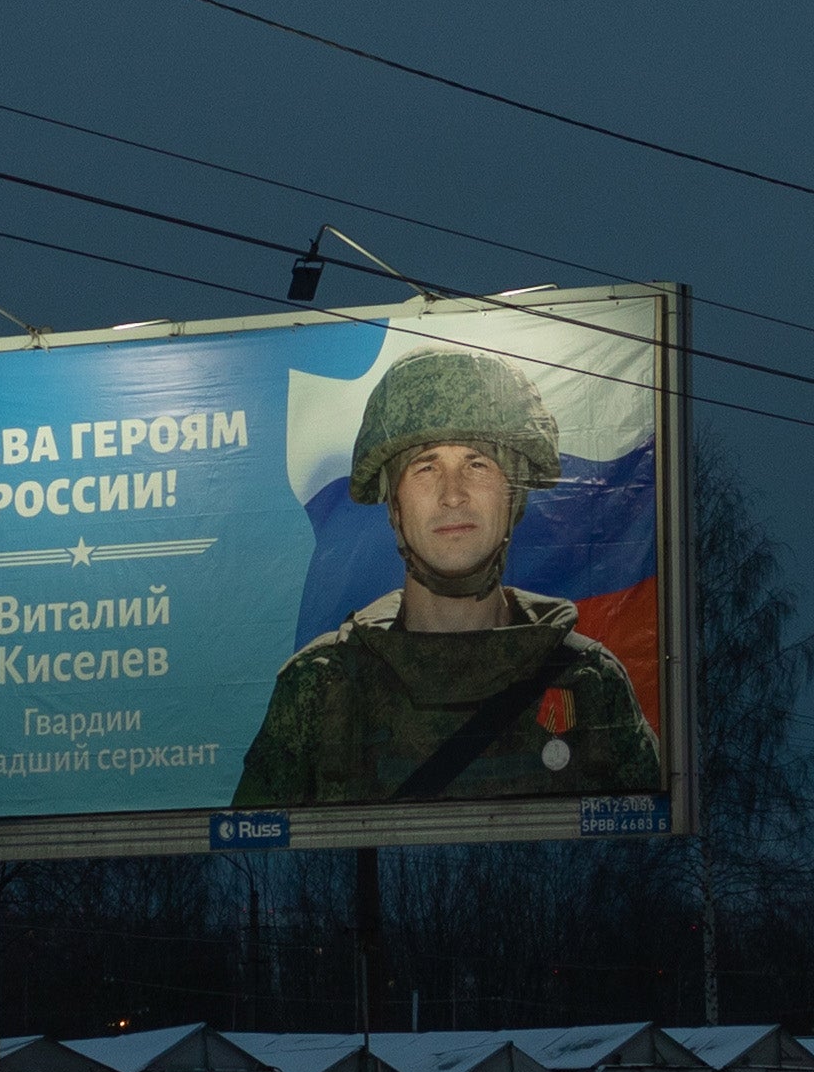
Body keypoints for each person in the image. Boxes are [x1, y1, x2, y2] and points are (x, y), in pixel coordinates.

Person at [231, 345, 664, 809]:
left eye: (477, 463)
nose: (452, 495)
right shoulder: (319, 690)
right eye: (426, 467)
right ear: (394, 504)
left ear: (511, 496)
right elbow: (259, 864)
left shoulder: (588, 685)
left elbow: (649, 861)